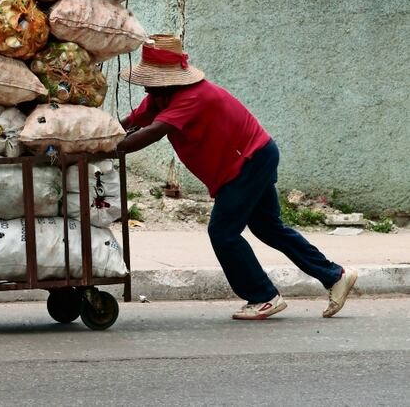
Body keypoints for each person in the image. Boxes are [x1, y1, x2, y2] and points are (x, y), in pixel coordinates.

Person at [116, 34, 357, 320]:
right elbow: (131, 122)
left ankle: (263, 296)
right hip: (253, 156)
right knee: (269, 228)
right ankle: (334, 275)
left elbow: (151, 133)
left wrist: (106, 146)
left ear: (166, 78)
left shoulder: (191, 97)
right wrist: (98, 132)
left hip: (249, 161)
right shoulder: (161, 96)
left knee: (223, 233)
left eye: (151, 78)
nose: (146, 84)